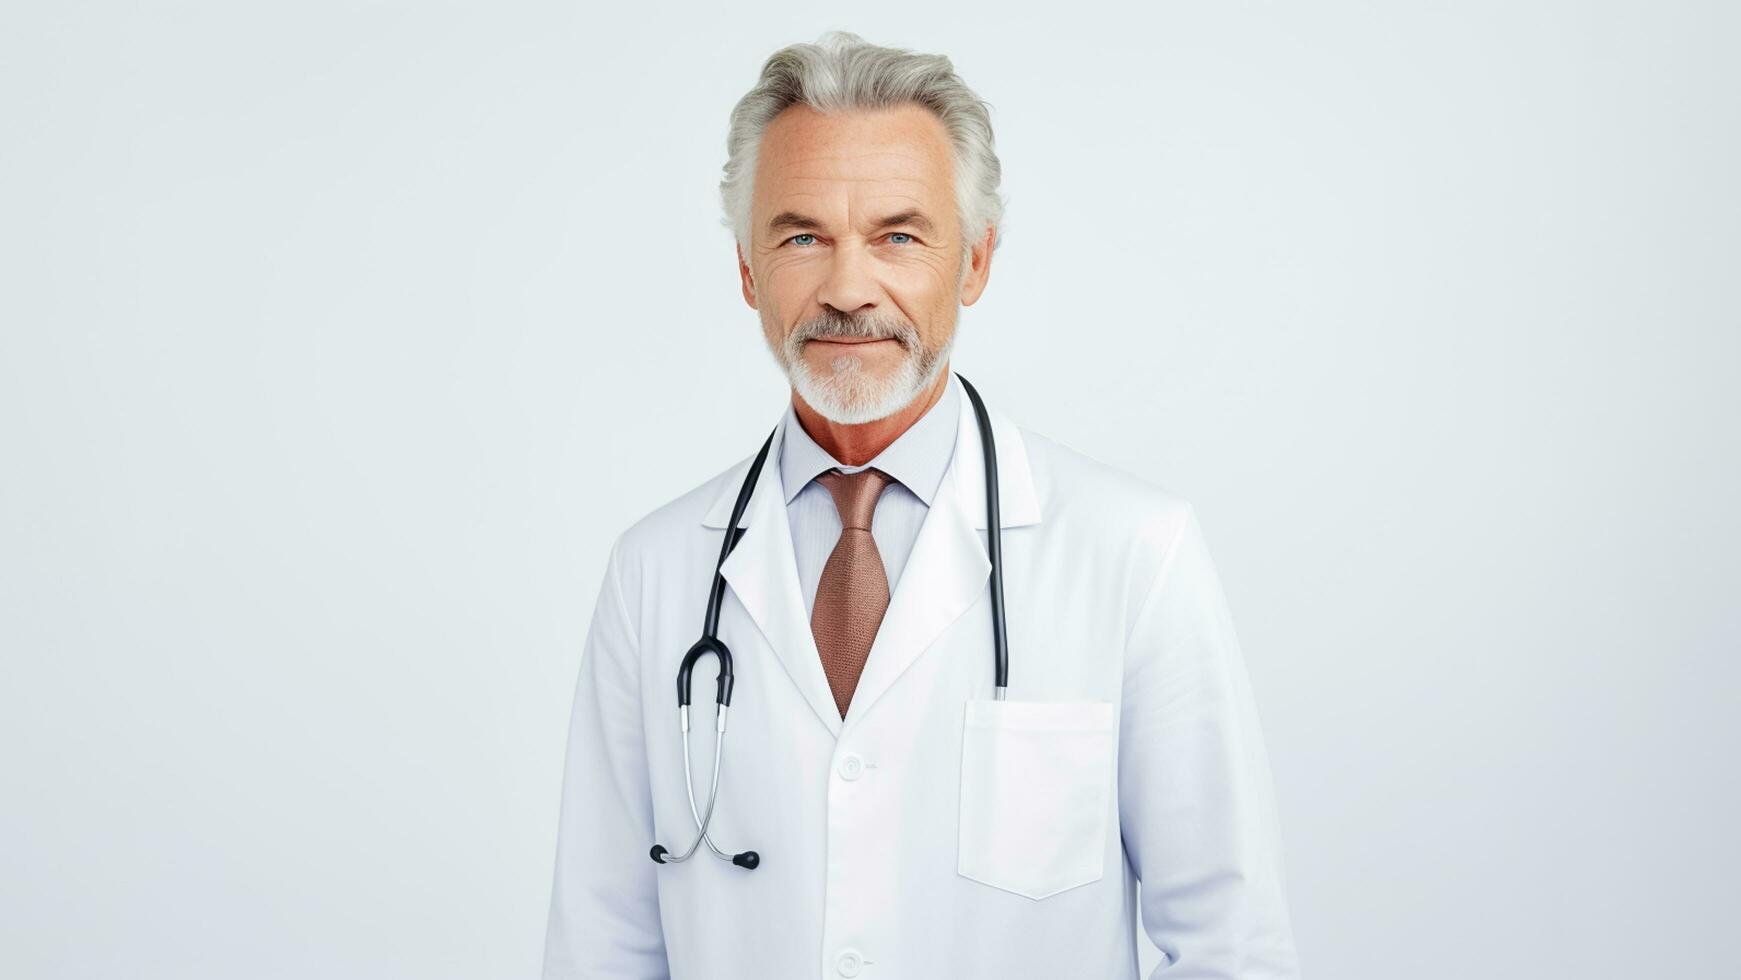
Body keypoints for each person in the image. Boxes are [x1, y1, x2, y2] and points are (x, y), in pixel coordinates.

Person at [541, 30, 1301, 980]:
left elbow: (1231, 948)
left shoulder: (1132, 553)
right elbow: (599, 949)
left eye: (898, 235)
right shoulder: (653, 573)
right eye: (801, 236)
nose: (848, 288)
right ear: (746, 270)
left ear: (974, 262)